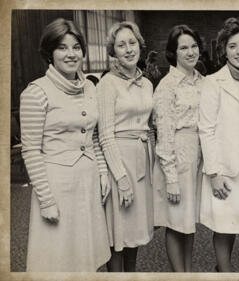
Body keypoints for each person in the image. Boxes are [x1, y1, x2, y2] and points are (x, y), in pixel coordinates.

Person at [20, 18, 110, 271]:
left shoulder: (90, 88)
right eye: (62, 47)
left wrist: (102, 172)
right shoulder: (35, 92)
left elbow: (92, 135)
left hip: (88, 181)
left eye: (76, 47)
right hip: (57, 187)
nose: (71, 54)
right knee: (58, 259)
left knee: (86, 257)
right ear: (50, 53)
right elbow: (31, 151)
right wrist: (46, 200)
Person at [198, 17, 239, 272]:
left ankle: (222, 269)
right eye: (232, 46)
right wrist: (214, 173)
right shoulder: (213, 82)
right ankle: (224, 272)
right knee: (223, 225)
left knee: (235, 223)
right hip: (223, 164)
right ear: (223, 49)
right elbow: (206, 129)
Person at [96, 21, 154, 272]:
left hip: (142, 158)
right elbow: (105, 135)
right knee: (118, 235)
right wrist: (121, 178)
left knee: (135, 232)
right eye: (121, 45)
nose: (129, 49)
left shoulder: (147, 83)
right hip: (120, 161)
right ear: (113, 51)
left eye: (132, 43)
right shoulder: (108, 83)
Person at [152, 24, 204, 272]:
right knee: (175, 222)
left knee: (188, 221)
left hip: (197, 157)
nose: (190, 52)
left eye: (193, 46)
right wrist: (171, 178)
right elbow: (163, 135)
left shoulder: (202, 81)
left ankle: (188, 270)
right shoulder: (167, 86)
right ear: (173, 53)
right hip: (176, 156)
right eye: (184, 48)